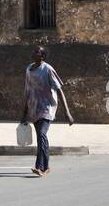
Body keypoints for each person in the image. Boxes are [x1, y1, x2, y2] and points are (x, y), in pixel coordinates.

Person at [20, 46, 72, 176]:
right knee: (40, 137)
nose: (34, 52)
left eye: (37, 51)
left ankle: (41, 167)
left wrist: (67, 112)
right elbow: (27, 92)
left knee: (42, 134)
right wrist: (24, 114)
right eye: (34, 50)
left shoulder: (48, 69)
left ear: (42, 56)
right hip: (34, 108)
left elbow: (59, 89)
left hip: (47, 107)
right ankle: (45, 166)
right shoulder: (28, 69)